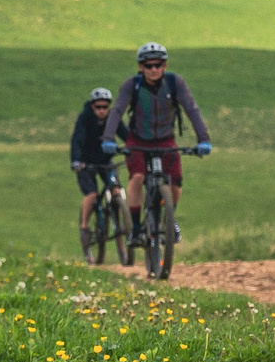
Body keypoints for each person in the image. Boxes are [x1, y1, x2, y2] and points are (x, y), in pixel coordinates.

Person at [107, 41, 212, 242]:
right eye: (148, 65)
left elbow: (192, 109)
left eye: (158, 65)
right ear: (140, 67)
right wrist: (108, 139)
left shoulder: (175, 83)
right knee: (137, 178)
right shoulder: (132, 85)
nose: (153, 69)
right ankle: (136, 228)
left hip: (165, 140)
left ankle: (169, 219)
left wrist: (203, 140)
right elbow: (117, 110)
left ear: (165, 65)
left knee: (176, 183)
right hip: (138, 140)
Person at [69, 87, 120, 240]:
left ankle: (120, 219)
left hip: (105, 161)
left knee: (116, 189)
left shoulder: (113, 118)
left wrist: (133, 148)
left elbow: (124, 133)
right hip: (86, 164)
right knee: (92, 194)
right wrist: (76, 161)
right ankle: (84, 227)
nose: (102, 111)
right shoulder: (85, 118)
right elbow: (77, 140)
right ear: (92, 106)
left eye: (105, 107)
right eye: (98, 107)